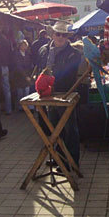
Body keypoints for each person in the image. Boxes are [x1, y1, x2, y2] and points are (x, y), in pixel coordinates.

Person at [39, 21, 81, 167]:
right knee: (54, 129)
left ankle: (71, 162)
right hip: (48, 95)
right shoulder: (43, 50)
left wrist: (50, 80)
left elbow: (69, 75)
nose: (61, 37)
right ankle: (58, 159)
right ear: (52, 34)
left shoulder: (74, 53)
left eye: (64, 34)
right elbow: (39, 68)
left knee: (70, 130)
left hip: (65, 94)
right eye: (58, 34)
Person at [0, 28, 13, 115]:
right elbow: (10, 54)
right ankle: (8, 109)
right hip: (5, 66)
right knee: (7, 88)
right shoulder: (7, 42)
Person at [12, 39, 33, 111]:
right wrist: (25, 76)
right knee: (20, 93)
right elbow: (18, 66)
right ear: (19, 46)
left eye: (25, 45)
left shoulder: (28, 54)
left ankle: (27, 107)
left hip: (27, 75)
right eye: (22, 45)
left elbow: (30, 64)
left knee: (27, 92)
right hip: (19, 76)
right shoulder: (16, 54)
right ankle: (20, 107)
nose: (24, 47)